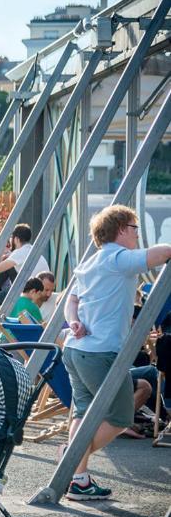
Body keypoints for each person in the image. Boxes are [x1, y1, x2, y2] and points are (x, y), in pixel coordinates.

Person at [61, 204, 171, 500]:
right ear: (121, 230)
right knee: (121, 415)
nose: (138, 235)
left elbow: (70, 300)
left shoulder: (90, 262)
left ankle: (79, 478)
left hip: (75, 350)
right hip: (100, 353)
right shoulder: (118, 258)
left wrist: (73, 321)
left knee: (84, 412)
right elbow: (162, 254)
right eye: (135, 228)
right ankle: (72, 461)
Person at [0, 224, 51, 342]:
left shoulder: (20, 252)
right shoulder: (34, 251)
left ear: (16, 239)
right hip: (36, 288)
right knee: (10, 267)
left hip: (26, 292)